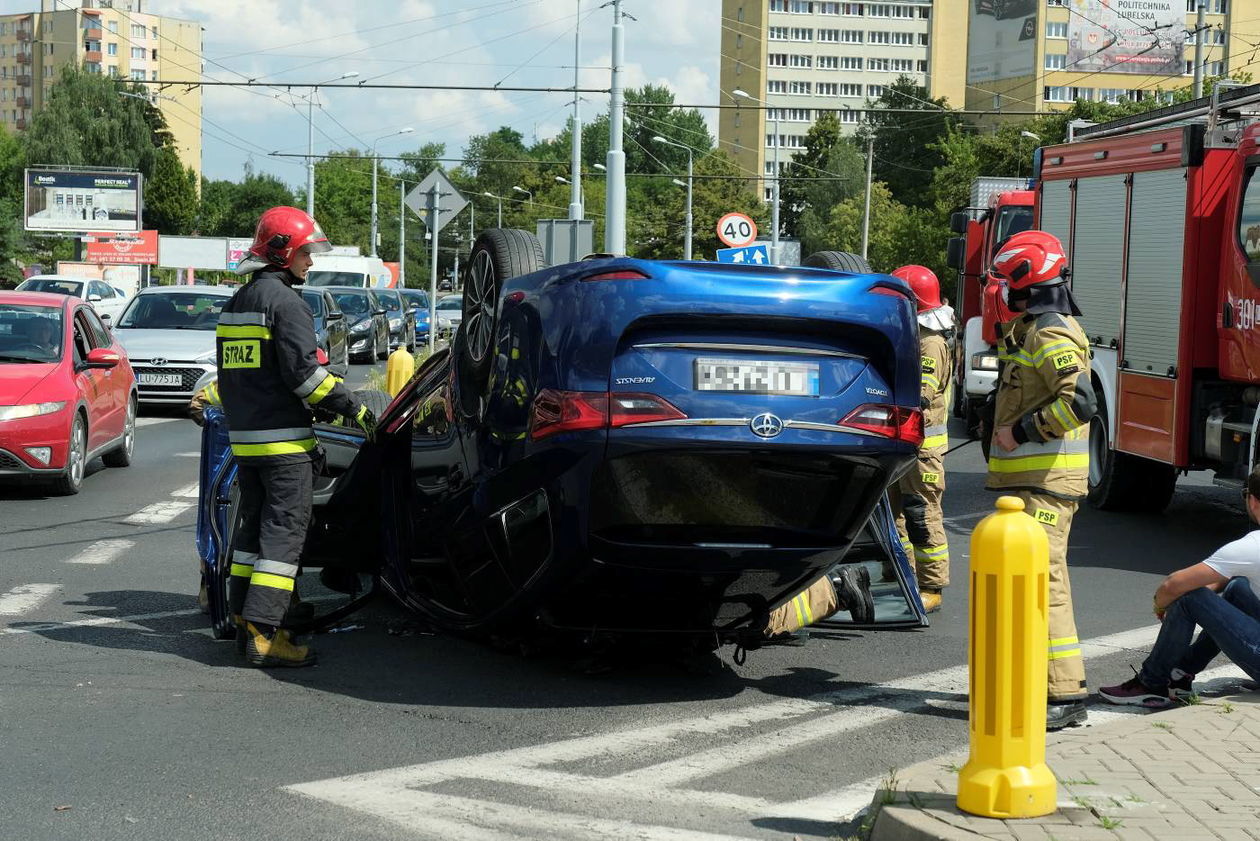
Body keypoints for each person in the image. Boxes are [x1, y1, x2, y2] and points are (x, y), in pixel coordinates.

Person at [217, 206, 376, 668]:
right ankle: (267, 633)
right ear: (284, 252)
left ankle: (243, 616)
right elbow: (306, 379)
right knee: (283, 539)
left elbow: (235, 376)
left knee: (250, 536)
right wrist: (356, 407)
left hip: (247, 443)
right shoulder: (288, 304)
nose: (312, 261)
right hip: (285, 446)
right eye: (307, 252)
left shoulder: (237, 303)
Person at [985, 230, 1097, 730]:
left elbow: (1081, 402)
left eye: (1007, 280)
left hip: (1047, 485)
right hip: (1031, 484)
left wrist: (1022, 430)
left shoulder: (1051, 331)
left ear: (1028, 280)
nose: (1002, 290)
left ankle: (1063, 693)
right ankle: (1033, 682)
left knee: (1045, 584)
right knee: (1026, 586)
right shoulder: (1033, 328)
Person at [1100, 468, 1260, 707]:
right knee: (1236, 587)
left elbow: (1172, 584)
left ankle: (1151, 683)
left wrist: (1162, 604)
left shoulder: (1253, 546)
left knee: (1188, 597)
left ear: (1254, 501)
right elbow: (1227, 578)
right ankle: (1180, 673)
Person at [885, 265, 953, 614]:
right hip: (905, 446)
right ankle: (904, 578)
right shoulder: (915, 337)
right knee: (895, 516)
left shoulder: (930, 344)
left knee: (922, 517)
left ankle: (931, 586)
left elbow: (921, 395)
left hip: (923, 451)